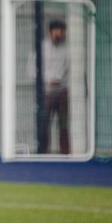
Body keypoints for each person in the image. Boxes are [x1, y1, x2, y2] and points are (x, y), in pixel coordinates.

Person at [41, 19, 70, 154]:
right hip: (46, 92)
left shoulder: (67, 49)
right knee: (44, 124)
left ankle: (65, 154)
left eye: (61, 31)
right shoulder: (41, 48)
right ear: (50, 32)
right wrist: (47, 80)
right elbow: (32, 70)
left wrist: (61, 81)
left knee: (64, 125)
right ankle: (43, 153)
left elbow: (70, 69)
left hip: (62, 91)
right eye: (56, 31)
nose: (59, 34)